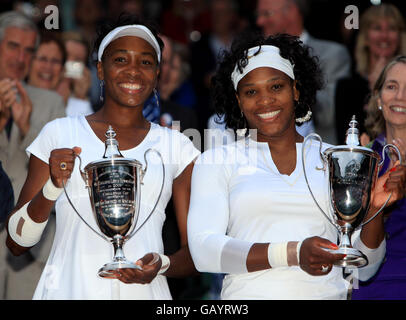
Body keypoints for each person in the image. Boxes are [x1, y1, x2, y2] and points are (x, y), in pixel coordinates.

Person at [186, 32, 406, 299]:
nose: (265, 100)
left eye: (276, 86)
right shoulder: (216, 161)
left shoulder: (337, 160)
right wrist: (293, 253)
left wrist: (372, 210)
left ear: (296, 89)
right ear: (238, 101)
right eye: (251, 91)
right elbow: (204, 252)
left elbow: (365, 270)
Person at [5, 15, 200, 300]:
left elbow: (197, 252)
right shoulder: (59, 133)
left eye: (145, 62)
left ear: (157, 73)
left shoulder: (178, 146)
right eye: (121, 60)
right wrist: (51, 188)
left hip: (145, 294)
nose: (133, 71)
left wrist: (162, 264)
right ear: (100, 69)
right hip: (68, 290)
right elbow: (16, 243)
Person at [0, 11, 65, 300]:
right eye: (13, 46)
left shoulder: (49, 103)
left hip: (27, 255)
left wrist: (28, 129)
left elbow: (59, 174)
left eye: (28, 50)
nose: (20, 57)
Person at [256, 0, 351, 144]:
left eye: (266, 14)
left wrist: (293, 85)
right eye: (259, 15)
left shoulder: (331, 54)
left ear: (291, 12)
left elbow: (329, 114)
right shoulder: (255, 59)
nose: (260, 21)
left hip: (317, 154)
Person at [350, 55, 406, 299]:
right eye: (392, 86)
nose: (400, 96)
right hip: (369, 286)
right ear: (379, 97)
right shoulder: (361, 158)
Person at [335, 3, 406, 145]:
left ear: (400, 37)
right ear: (365, 37)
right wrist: (375, 94)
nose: (384, 36)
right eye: (377, 28)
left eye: (391, 29)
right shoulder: (347, 87)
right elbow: (347, 142)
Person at [27, 31, 93, 117]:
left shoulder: (78, 101)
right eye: (43, 59)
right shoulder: (16, 94)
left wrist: (80, 99)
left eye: (78, 60)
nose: (69, 62)